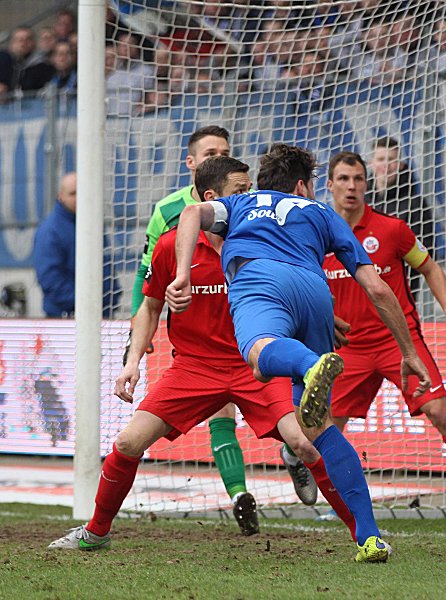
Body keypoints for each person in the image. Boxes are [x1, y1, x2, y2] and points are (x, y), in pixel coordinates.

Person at [49, 156, 358, 551]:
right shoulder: (172, 246)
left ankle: (361, 534)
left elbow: (294, 287)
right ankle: (95, 533)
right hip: (194, 368)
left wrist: (317, 317)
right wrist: (132, 361)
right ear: (212, 198)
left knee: (306, 443)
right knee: (127, 443)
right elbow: (149, 305)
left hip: (254, 367)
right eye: (241, 191)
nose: (251, 197)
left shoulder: (265, 238)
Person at [165, 144, 432, 563]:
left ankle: (309, 366)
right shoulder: (323, 213)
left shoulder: (240, 203)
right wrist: (409, 350)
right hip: (316, 293)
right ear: (304, 185)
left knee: (257, 354)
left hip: (261, 280)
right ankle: (369, 537)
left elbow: (190, 214)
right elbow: (378, 288)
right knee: (321, 427)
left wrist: (181, 274)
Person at [126, 126, 319, 515]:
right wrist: (136, 344)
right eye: (211, 151)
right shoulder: (168, 213)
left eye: (225, 150)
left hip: (252, 348)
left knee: (305, 437)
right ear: (192, 162)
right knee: (207, 417)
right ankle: (238, 493)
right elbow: (149, 281)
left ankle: (357, 526)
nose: (219, 155)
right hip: (199, 352)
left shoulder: (248, 209)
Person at [322, 151, 446, 525]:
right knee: (325, 432)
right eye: (343, 179)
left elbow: (429, 266)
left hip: (397, 343)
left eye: (358, 179)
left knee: (440, 413)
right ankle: (342, 507)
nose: (351, 187)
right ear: (330, 184)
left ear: (367, 184)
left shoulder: (393, 229)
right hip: (347, 349)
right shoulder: (317, 237)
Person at [34, 172, 120, 318]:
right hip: (64, 318)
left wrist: (112, 294)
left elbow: (106, 266)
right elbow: (50, 278)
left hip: (102, 314)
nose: (79, 198)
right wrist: (83, 303)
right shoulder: (50, 230)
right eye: (73, 193)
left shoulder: (94, 225)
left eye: (82, 192)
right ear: (60, 196)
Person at [369, 136, 439, 299]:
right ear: (371, 163)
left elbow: (429, 250)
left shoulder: (415, 204)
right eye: (380, 159)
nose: (386, 165)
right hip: (365, 290)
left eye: (391, 160)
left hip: (402, 291)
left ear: (400, 165)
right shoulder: (361, 202)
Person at [0, 26, 54, 96]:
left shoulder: (43, 66)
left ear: (33, 43)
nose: (23, 43)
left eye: (27, 39)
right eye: (19, 39)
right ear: (11, 43)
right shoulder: (3, 61)